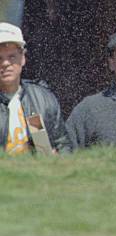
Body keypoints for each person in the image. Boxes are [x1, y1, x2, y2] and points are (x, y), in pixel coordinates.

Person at [0, 22, 71, 155]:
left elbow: (62, 144)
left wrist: (57, 160)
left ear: (23, 59)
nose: (5, 63)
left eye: (12, 57)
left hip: (37, 174)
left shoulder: (42, 99)